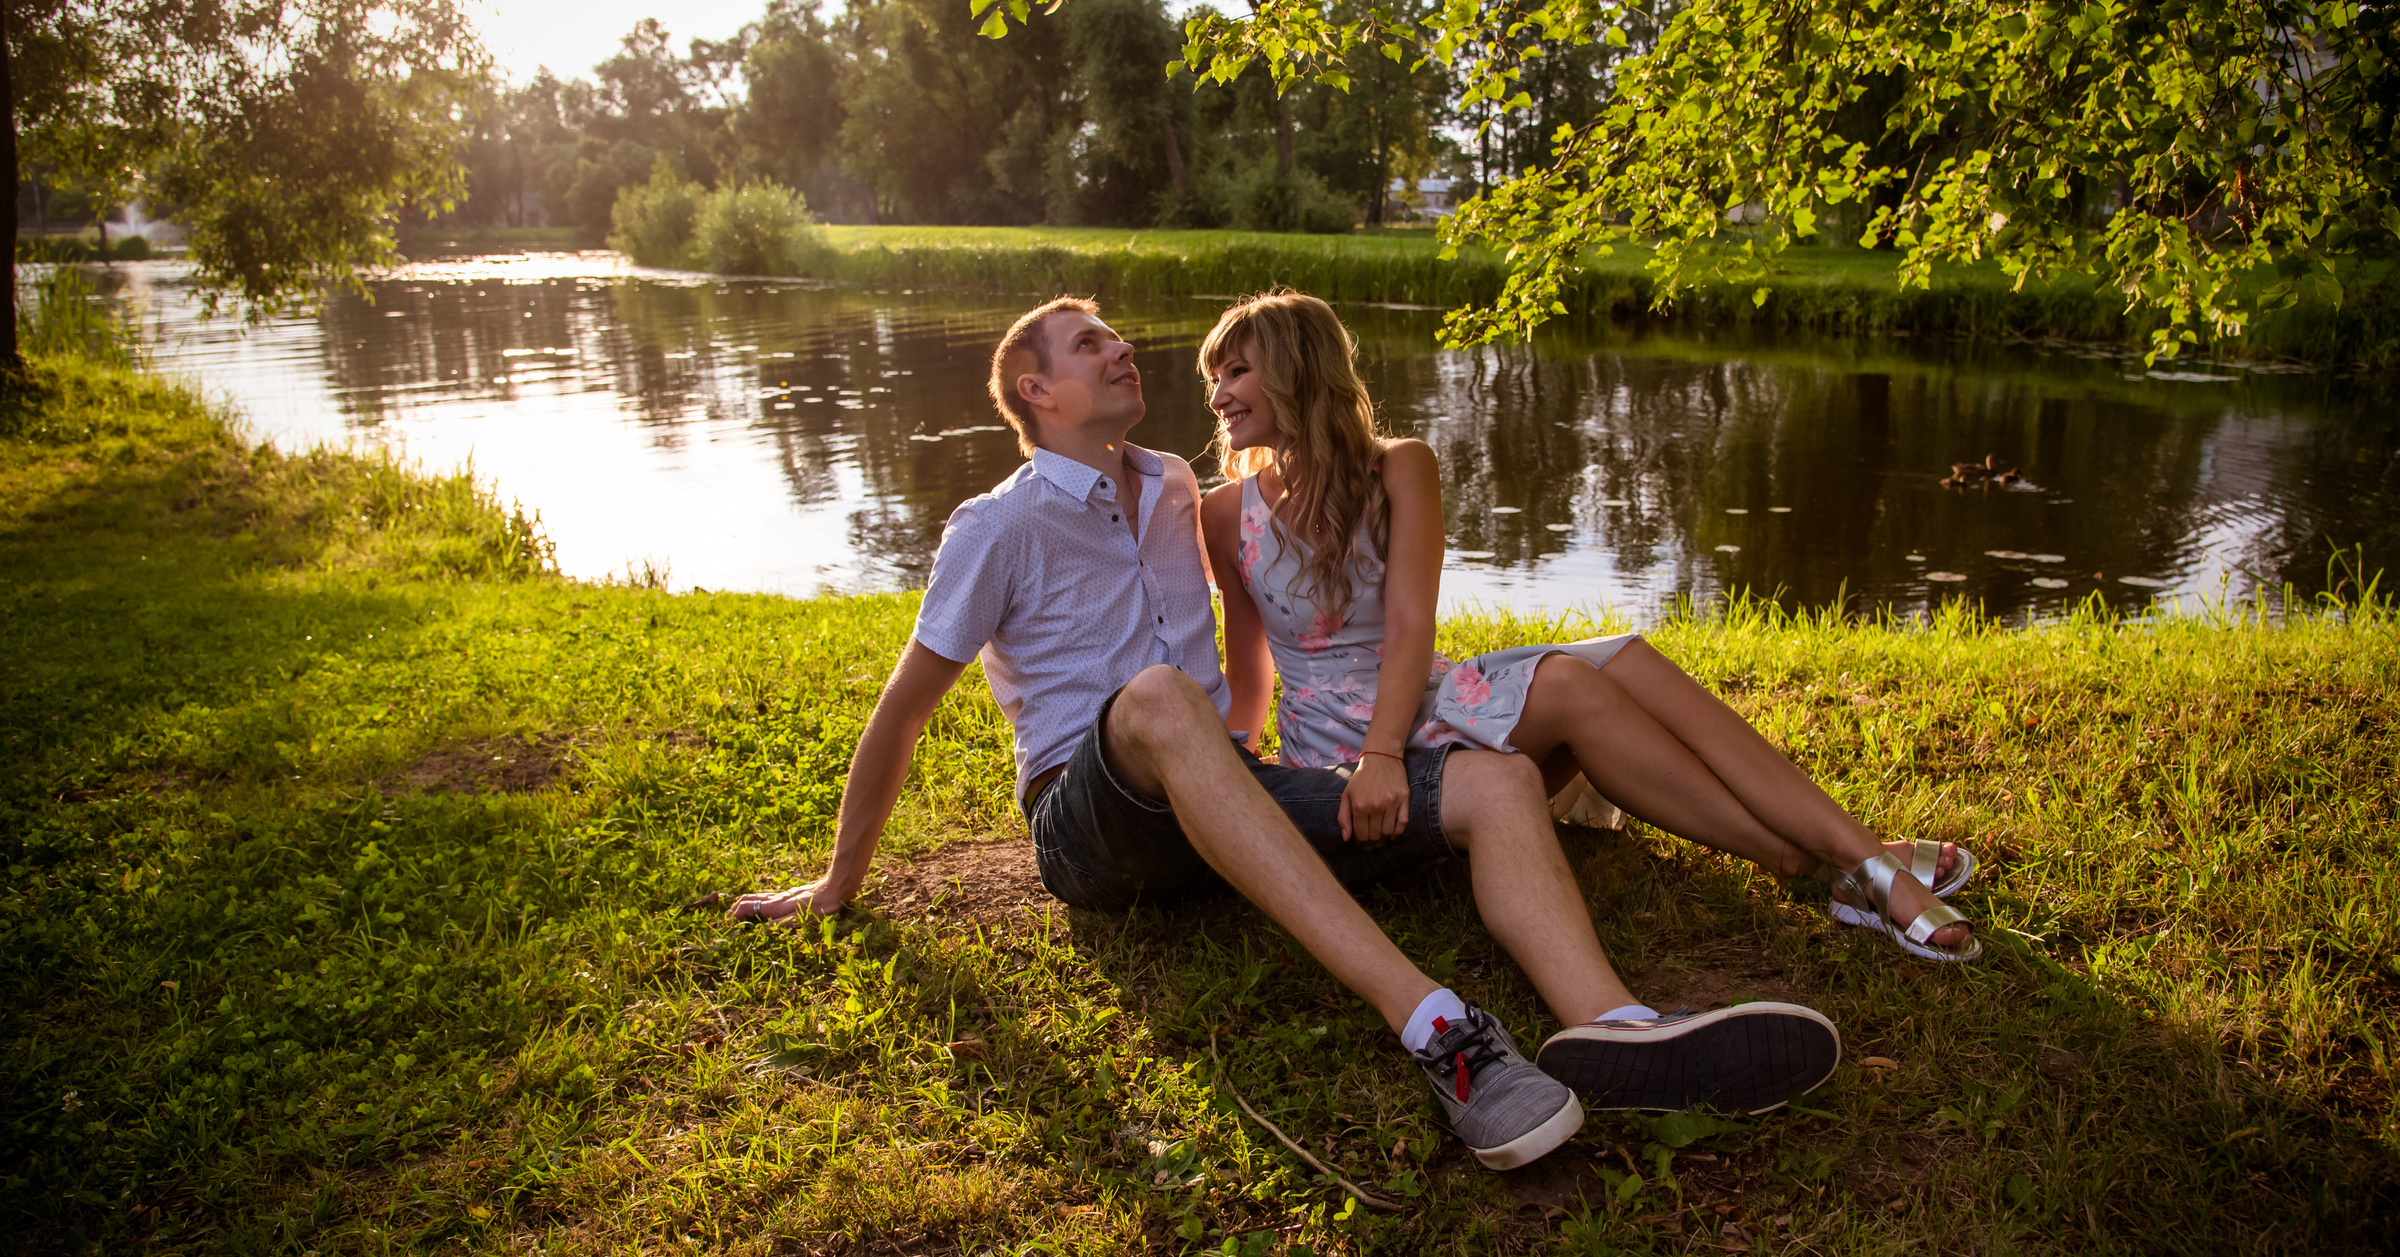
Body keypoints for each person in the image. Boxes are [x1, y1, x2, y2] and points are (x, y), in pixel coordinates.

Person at [730, 296, 1843, 1170]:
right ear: (1040, 391)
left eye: (1114, 334)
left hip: (1227, 789)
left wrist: (1305, 740)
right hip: (1094, 817)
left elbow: (1262, 621)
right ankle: (1441, 1031)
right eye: (1089, 344)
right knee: (1162, 695)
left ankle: (1616, 1025)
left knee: (1497, 778)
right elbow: (903, 708)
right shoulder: (997, 525)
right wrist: (839, 879)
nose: (1122, 349)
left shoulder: (1174, 485)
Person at [1196, 290, 1980, 965]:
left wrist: (1386, 749)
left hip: (1412, 713)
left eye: (1236, 370)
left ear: (1299, 369)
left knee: (1623, 658)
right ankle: (1847, 863)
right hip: (1339, 749)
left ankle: (1856, 863)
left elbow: (1409, 626)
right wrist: (1234, 777)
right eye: (1214, 377)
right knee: (1572, 679)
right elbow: (1251, 666)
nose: (1219, 394)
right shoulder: (1226, 512)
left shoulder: (1398, 466)